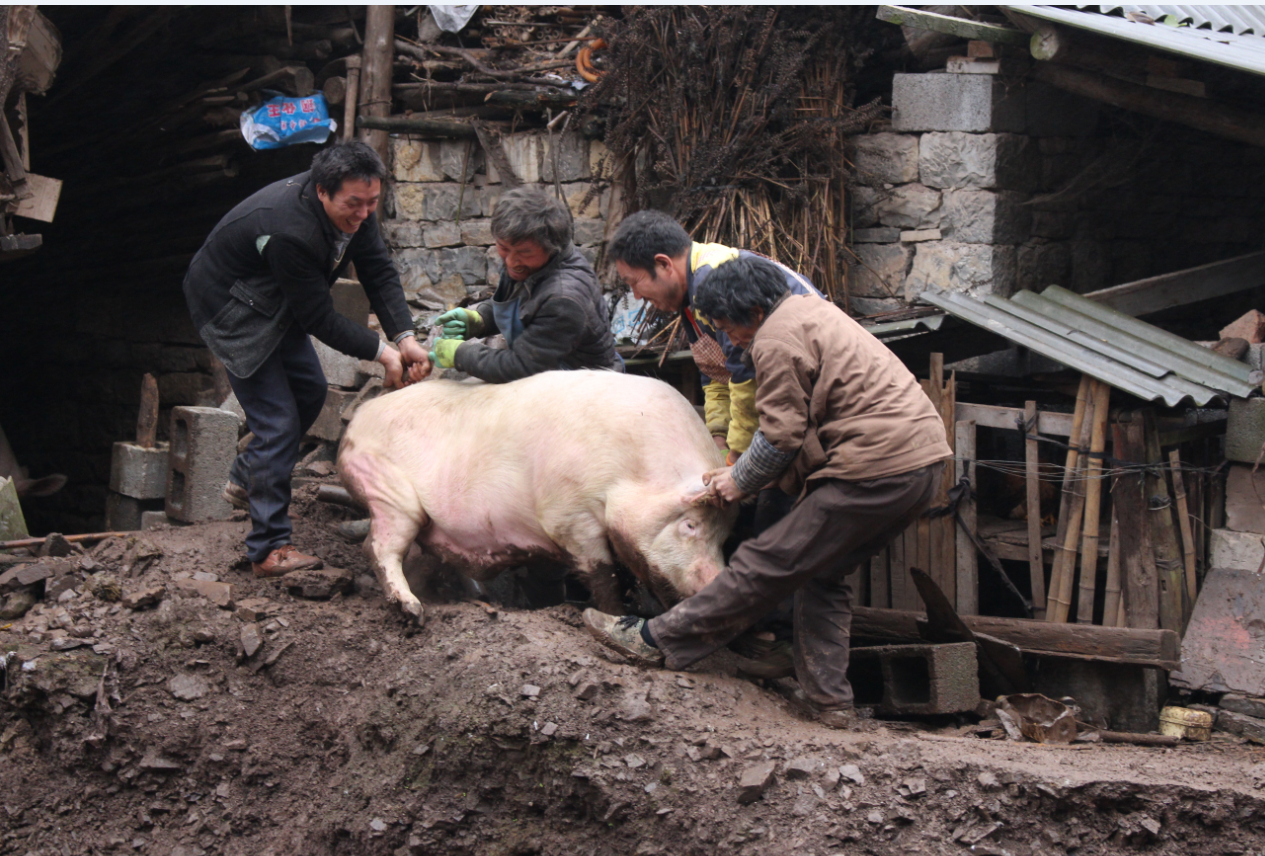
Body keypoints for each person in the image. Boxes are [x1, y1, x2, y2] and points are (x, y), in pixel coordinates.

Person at [581, 256, 953, 727]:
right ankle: (830, 702)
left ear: (752, 312)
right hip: (920, 466)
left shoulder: (776, 338)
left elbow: (780, 437)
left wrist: (736, 481)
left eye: (727, 328)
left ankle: (655, 641)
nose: (728, 340)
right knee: (823, 574)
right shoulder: (812, 312)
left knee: (766, 561)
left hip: (874, 468)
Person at [183, 141, 428, 579]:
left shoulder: (358, 212)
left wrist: (405, 336)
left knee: (310, 392)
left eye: (372, 202)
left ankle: (247, 477)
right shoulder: (289, 230)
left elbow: (378, 269)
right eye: (354, 204)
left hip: (274, 296)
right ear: (321, 191)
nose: (363, 213)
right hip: (229, 306)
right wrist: (382, 354)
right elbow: (317, 316)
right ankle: (268, 550)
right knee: (276, 423)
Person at [606, 210, 823, 464]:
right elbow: (715, 370)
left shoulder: (713, 280)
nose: (637, 295)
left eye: (635, 282)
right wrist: (718, 437)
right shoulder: (690, 291)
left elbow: (746, 378)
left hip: (817, 399)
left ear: (664, 264)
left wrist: (734, 460)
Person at [428, 187, 621, 381]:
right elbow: (519, 305)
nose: (511, 261)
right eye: (503, 247)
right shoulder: (527, 265)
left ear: (551, 247)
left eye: (524, 252)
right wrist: (480, 319)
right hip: (542, 371)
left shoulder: (563, 298)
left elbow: (521, 367)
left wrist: (461, 355)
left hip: (585, 387)